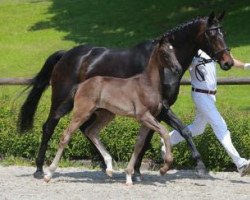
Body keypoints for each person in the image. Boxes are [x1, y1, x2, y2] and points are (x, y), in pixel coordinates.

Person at [167, 49, 250, 176]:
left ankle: (168, 139)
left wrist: (246, 66)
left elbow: (230, 60)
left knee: (198, 128)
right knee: (221, 127)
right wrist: (192, 61)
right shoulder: (194, 53)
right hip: (200, 95)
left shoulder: (213, 50)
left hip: (210, 97)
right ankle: (241, 164)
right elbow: (182, 66)